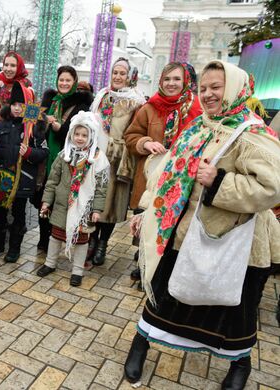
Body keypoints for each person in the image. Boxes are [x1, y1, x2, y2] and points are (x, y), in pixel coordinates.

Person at [125, 60, 280, 390]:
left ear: (235, 88)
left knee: (235, 311)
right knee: (164, 296)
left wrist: (220, 181)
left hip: (236, 243)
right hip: (182, 234)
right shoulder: (200, 125)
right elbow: (169, 172)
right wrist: (145, 211)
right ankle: (141, 343)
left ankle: (240, 363)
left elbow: (272, 186)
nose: (208, 95)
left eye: (216, 87)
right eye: (204, 88)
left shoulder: (252, 133)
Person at [124, 62, 202, 281]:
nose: (171, 84)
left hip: (180, 181)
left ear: (186, 81)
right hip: (150, 178)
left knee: (171, 224)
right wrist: (146, 143)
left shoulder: (197, 108)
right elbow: (130, 137)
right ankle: (144, 263)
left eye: (177, 79)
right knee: (147, 222)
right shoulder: (149, 107)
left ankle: (163, 269)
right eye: (167, 79)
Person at [36, 111, 109, 286]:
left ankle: (77, 270)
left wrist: (97, 210)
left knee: (82, 240)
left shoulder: (98, 159)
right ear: (71, 134)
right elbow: (52, 180)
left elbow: (101, 187)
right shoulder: (64, 155)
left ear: (91, 136)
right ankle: (50, 263)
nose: (80, 138)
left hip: (84, 208)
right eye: (76, 134)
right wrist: (47, 201)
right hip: (62, 205)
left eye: (84, 135)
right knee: (55, 236)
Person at [88, 57, 145, 265]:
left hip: (118, 159)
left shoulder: (136, 102)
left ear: (128, 77)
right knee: (95, 200)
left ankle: (103, 243)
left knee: (111, 205)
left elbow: (135, 132)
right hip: (96, 157)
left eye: (122, 73)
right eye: (115, 73)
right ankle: (92, 239)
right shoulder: (102, 96)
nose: (118, 77)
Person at [0, 81, 48, 262]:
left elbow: (44, 152)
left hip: (22, 179)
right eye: (14, 105)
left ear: (28, 106)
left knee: (18, 215)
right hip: (1, 178)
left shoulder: (33, 127)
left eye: (22, 105)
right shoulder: (1, 125)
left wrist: (28, 152)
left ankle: (14, 248)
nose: (18, 109)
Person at [34, 65, 93, 251]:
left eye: (68, 80)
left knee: (59, 198)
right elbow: (32, 123)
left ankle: (56, 238)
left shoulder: (82, 105)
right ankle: (43, 240)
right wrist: (40, 120)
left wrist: (60, 128)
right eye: (61, 80)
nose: (64, 83)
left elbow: (81, 134)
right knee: (43, 195)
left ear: (74, 82)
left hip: (66, 160)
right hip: (44, 157)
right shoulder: (48, 99)